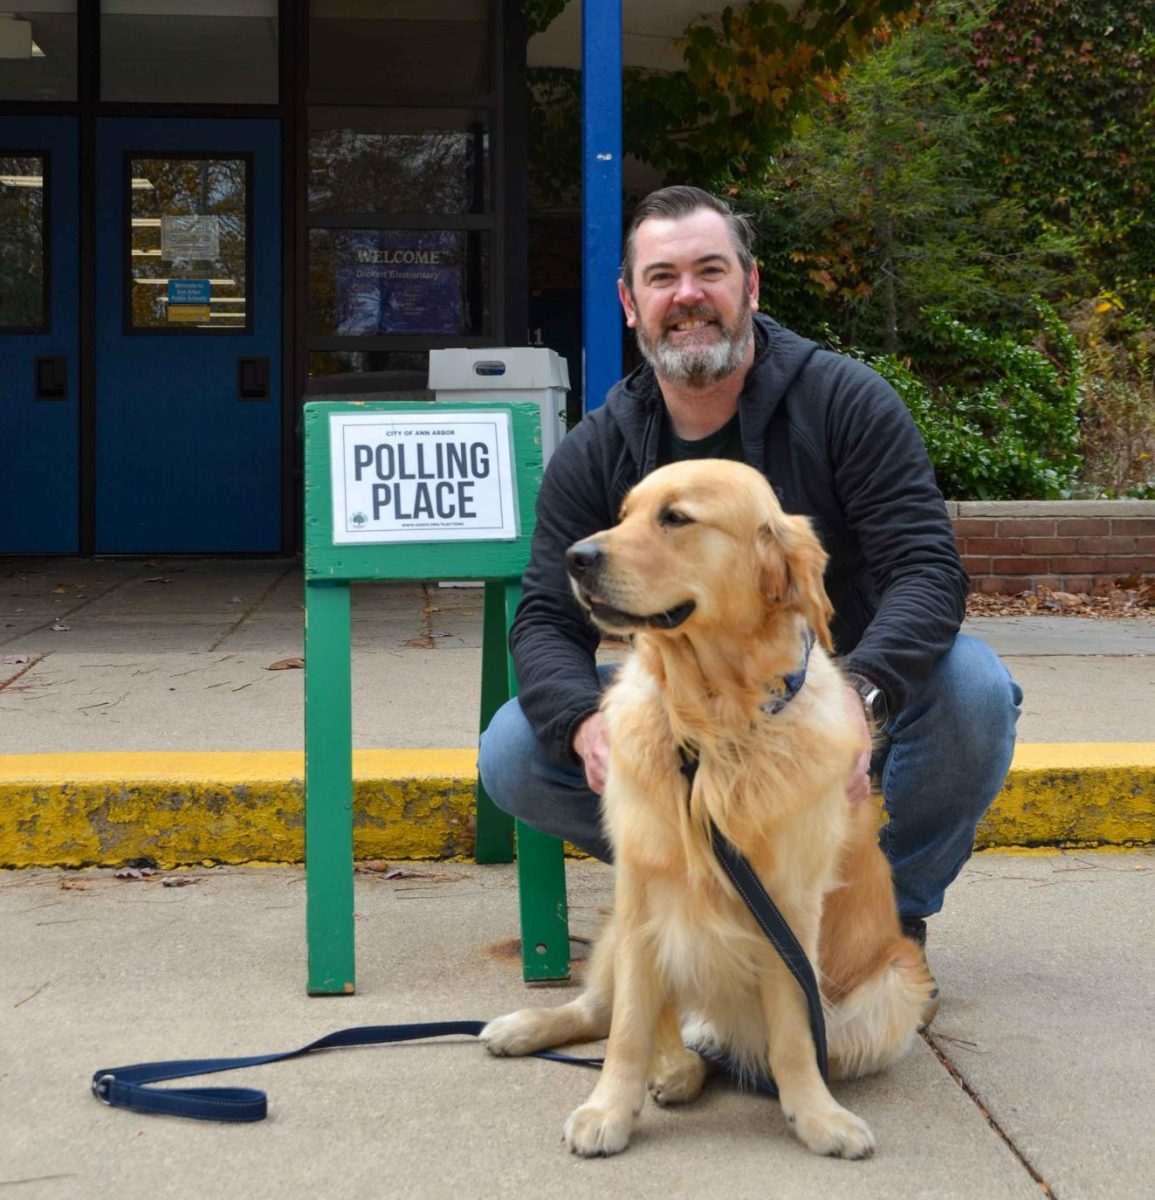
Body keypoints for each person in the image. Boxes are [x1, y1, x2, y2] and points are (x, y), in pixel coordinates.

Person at [478, 185, 1022, 944]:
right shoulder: (597, 446)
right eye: (662, 277)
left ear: (750, 285)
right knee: (513, 751)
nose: (688, 295)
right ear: (630, 302)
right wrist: (580, 724)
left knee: (974, 691)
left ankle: (881, 917)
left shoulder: (845, 403)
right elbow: (544, 615)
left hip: (841, 692)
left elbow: (927, 571)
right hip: (691, 705)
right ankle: (726, 889)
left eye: (710, 271)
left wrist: (860, 696)